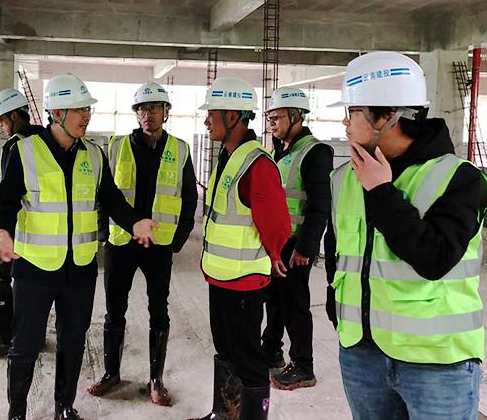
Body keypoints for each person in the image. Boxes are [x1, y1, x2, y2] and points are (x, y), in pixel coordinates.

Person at [325, 51, 487, 420]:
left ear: (387, 117)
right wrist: (341, 317)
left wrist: (382, 193)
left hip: (436, 362)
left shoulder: (459, 178)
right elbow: (339, 256)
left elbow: (435, 259)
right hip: (361, 353)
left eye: (353, 111)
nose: (346, 122)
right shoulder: (344, 178)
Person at [0, 73, 157, 420]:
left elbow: (111, 199)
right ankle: (17, 412)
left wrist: (134, 222)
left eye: (87, 109)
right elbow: (5, 200)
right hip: (35, 268)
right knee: (25, 344)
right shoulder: (25, 151)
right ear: (56, 113)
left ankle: (64, 407)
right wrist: (2, 232)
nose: (86, 116)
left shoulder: (94, 155)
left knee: (73, 341)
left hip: (80, 269)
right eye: (79, 109)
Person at [87, 82, 197, 405]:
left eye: (155, 108)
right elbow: (103, 193)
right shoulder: (116, 146)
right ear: (136, 114)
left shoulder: (180, 149)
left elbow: (189, 196)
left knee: (158, 310)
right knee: (114, 311)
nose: (149, 114)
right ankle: (111, 373)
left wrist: (178, 239)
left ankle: (156, 380)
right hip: (122, 243)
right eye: (143, 109)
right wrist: (104, 233)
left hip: (159, 245)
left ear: (166, 112)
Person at [188, 77, 291, 420]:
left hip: (244, 281)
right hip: (220, 276)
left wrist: (274, 254)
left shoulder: (256, 164)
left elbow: (277, 225)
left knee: (248, 359)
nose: (207, 121)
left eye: (212, 114)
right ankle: (224, 414)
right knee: (226, 349)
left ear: (232, 116)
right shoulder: (228, 157)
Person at [261, 87, 333, 390]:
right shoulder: (280, 151)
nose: (272, 123)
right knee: (274, 300)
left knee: (295, 305)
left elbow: (320, 205)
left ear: (296, 117)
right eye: (270, 118)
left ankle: (304, 366)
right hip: (277, 242)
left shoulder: (315, 152)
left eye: (277, 117)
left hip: (295, 244)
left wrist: (305, 247)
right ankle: (271, 351)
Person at [0, 88, 44, 358]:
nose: (1, 126)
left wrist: (2, 231)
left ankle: (4, 337)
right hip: (43, 227)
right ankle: (33, 335)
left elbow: (9, 193)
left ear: (15, 116)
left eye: (3, 120)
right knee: (35, 282)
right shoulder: (46, 139)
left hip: (17, 225)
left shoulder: (16, 145)